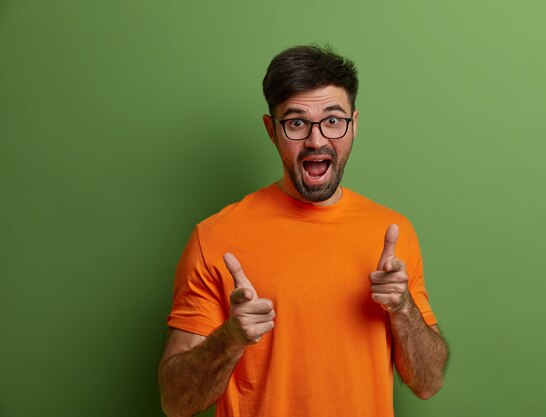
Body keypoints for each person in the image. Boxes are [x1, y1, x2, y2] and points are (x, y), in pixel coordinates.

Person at [158, 45, 449, 417]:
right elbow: (175, 403)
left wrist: (403, 308)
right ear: (271, 130)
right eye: (296, 122)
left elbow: (429, 383)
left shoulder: (391, 233)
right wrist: (230, 339)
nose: (316, 140)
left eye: (333, 120)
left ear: (354, 124)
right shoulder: (214, 237)